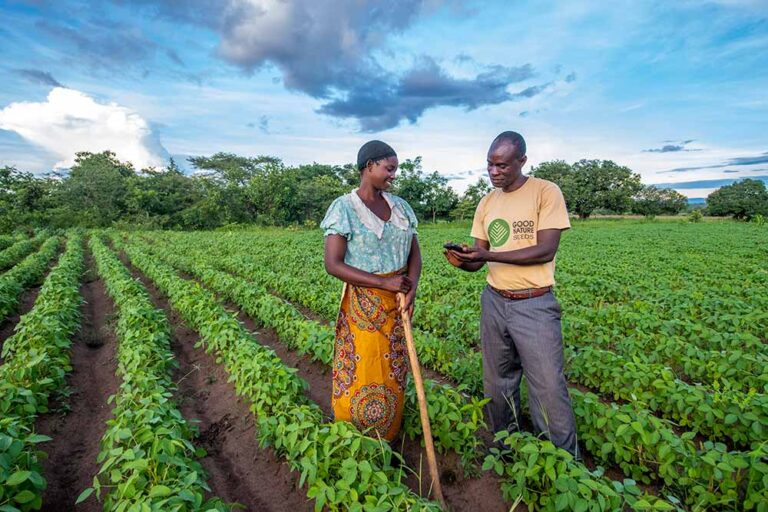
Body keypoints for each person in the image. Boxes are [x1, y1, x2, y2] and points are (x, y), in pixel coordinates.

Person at [444, 131, 578, 457]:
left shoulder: (545, 191)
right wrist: (464, 260)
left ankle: (565, 466)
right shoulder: (487, 202)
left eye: (502, 165)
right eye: (489, 164)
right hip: (494, 300)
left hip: (534, 302)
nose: (494, 171)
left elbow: (545, 250)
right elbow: (480, 257)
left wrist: (487, 256)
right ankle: (507, 448)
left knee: (547, 387)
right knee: (497, 383)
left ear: (522, 161)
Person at [320, 140, 422, 441]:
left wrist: (411, 288)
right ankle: (353, 436)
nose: (394, 176)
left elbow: (415, 254)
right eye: (389, 169)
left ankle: (387, 435)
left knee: (394, 370)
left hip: (398, 302)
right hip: (363, 304)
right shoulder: (344, 208)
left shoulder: (400, 207)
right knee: (364, 369)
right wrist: (382, 283)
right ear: (369, 167)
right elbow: (333, 264)